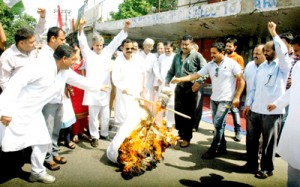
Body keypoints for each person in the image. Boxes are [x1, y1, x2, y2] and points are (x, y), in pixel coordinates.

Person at [0, 44, 108, 184]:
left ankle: (37, 173)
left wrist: (98, 86)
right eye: (73, 60)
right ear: (64, 59)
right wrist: (6, 111)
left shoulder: (64, 71)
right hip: (17, 111)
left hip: (35, 113)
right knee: (5, 144)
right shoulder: (39, 67)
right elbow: (15, 84)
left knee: (43, 141)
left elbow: (79, 80)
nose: (75, 63)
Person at [171, 41, 245, 156]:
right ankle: (222, 146)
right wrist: (180, 79)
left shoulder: (232, 64)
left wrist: (237, 97)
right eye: (211, 53)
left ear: (222, 52)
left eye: (214, 53)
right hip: (214, 99)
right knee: (219, 124)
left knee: (218, 124)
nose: (212, 55)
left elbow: (241, 81)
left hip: (226, 100)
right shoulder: (210, 64)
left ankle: (214, 149)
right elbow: (195, 75)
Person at [243, 22, 291, 179]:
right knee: (251, 139)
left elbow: (284, 53)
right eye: (264, 50)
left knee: (269, 143)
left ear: (276, 51)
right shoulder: (262, 67)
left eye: (268, 50)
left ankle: (267, 168)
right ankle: (251, 164)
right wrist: (248, 104)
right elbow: (254, 88)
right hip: (255, 110)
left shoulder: (283, 66)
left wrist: (274, 34)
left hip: (272, 111)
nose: (265, 53)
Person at [78, 18, 131, 148]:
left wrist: (125, 28)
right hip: (93, 90)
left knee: (106, 113)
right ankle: (94, 136)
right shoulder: (88, 54)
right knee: (93, 115)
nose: (99, 47)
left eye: (101, 45)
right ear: (93, 45)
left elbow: (116, 41)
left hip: (105, 89)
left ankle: (104, 133)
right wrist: (81, 27)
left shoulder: (107, 52)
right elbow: (82, 42)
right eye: (97, 45)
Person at [267, 35, 300, 187]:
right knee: (294, 162)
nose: (297, 54)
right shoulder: (298, 67)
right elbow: (294, 90)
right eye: (296, 51)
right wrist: (278, 103)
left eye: (299, 51)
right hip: (296, 122)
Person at [165, 34, 207, 148]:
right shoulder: (176, 56)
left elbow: (205, 70)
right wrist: (167, 81)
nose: (184, 46)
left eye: (186, 44)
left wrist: (198, 82)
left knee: (189, 114)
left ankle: (187, 137)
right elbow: (171, 71)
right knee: (178, 112)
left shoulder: (197, 56)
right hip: (179, 87)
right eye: (182, 44)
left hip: (191, 88)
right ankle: (180, 134)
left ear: (192, 44)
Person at [40, 26, 68, 171]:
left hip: (59, 99)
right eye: (62, 39)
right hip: (48, 100)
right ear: (53, 38)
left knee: (56, 129)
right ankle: (47, 158)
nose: (64, 42)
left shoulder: (58, 53)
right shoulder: (44, 55)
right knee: (47, 130)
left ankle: (55, 152)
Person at [0, 8, 46, 90]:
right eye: (31, 42)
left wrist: (42, 17)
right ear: (21, 43)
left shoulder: (29, 49)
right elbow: (3, 82)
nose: (35, 44)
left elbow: (39, 32)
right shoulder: (8, 57)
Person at [241, 44, 265, 172]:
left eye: (258, 53)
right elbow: (245, 82)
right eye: (254, 53)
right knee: (251, 136)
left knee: (262, 139)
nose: (255, 55)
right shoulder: (250, 65)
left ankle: (261, 163)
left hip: (265, 108)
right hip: (250, 105)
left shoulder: (269, 67)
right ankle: (251, 161)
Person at [112, 39, 145, 128]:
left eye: (131, 48)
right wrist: (122, 88)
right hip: (123, 93)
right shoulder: (118, 60)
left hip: (135, 92)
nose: (130, 50)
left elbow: (143, 74)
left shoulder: (138, 58)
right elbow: (115, 78)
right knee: (123, 117)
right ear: (122, 48)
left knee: (135, 116)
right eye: (127, 48)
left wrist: (141, 89)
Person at [225, 37, 245, 142]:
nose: (228, 48)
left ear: (235, 47)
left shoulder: (238, 58)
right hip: (224, 90)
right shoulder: (223, 56)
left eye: (230, 46)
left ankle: (238, 132)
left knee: (234, 110)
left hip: (234, 90)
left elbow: (240, 76)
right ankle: (220, 129)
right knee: (223, 110)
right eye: (227, 46)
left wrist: (237, 93)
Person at [157, 41, 176, 128]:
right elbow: (158, 69)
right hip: (162, 84)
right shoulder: (161, 57)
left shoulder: (176, 57)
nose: (167, 50)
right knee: (161, 103)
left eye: (168, 48)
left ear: (172, 48)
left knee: (171, 104)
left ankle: (170, 123)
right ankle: (159, 122)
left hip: (172, 84)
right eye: (165, 49)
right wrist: (158, 78)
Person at [140, 38, 162, 106]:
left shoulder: (153, 57)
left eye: (151, 46)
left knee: (149, 101)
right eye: (148, 46)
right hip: (139, 80)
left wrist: (158, 77)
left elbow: (156, 69)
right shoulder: (138, 55)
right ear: (144, 45)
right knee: (139, 101)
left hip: (149, 82)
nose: (149, 48)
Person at [192, 43, 206, 132]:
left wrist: (198, 82)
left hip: (198, 84)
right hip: (188, 85)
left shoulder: (201, 59)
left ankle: (195, 125)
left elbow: (205, 72)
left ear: (196, 49)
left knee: (197, 106)